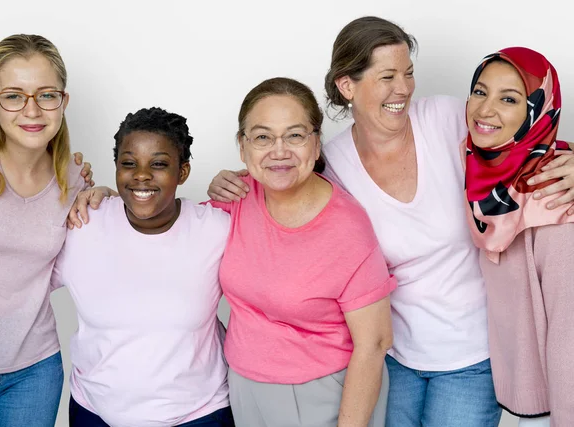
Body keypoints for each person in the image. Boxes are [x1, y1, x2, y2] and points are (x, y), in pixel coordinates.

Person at [206, 17, 574, 427]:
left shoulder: (446, 119)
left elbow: (521, 139)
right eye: (387, 76)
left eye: (408, 73)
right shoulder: (332, 163)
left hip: (474, 357)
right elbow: (282, 176)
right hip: (393, 357)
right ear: (348, 86)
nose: (404, 88)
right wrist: (228, 181)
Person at [72, 77, 396, 426]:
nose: (279, 150)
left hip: (322, 394)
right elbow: (161, 218)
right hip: (243, 393)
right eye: (262, 137)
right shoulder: (236, 202)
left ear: (316, 144)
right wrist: (104, 197)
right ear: (243, 148)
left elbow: (374, 343)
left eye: (295, 135)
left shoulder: (347, 226)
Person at [52, 107, 234, 427]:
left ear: (183, 171)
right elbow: (20, 278)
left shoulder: (216, 229)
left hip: (198, 414)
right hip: (95, 412)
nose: (141, 175)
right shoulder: (82, 224)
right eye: (128, 164)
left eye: (159, 164)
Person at [0, 34, 92, 427]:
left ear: (63, 102)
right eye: (13, 95)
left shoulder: (75, 179)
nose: (32, 110)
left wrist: (103, 195)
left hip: (33, 371)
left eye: (45, 95)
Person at [463, 47, 574, 427]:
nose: (485, 110)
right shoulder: (480, 170)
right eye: (480, 91)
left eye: (509, 99)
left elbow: (569, 339)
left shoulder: (555, 201)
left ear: (538, 113)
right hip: (514, 396)